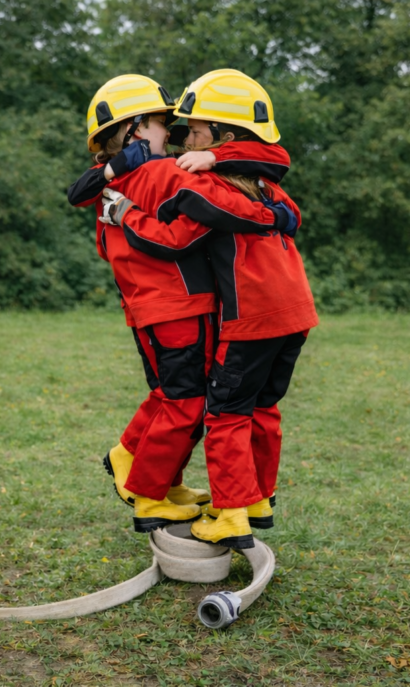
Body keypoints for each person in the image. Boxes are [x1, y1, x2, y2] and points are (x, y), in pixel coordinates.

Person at [98, 69, 316, 548]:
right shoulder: (263, 183)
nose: (182, 141)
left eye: (195, 131)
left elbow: (180, 232)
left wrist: (122, 207)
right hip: (294, 314)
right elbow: (283, 192)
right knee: (257, 407)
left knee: (223, 414)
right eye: (173, 129)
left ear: (225, 136)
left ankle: (231, 513)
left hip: (249, 317)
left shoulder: (213, 185)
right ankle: (253, 499)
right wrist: (278, 215)